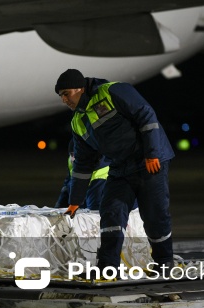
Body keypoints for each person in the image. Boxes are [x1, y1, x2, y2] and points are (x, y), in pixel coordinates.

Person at [55, 69, 175, 278]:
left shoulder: (113, 91)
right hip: (120, 168)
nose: (64, 99)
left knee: (155, 215)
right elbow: (83, 164)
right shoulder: (77, 122)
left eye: (66, 93)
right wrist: (75, 200)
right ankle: (108, 267)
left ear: (80, 88)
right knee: (110, 213)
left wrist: (152, 153)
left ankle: (165, 262)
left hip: (148, 163)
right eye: (61, 96)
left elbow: (146, 115)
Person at [55, 139, 109, 209]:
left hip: (96, 189)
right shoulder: (73, 161)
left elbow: (94, 212)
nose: (73, 158)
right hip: (83, 188)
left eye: (76, 155)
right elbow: (68, 183)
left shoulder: (100, 173)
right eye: (72, 154)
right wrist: (59, 206)